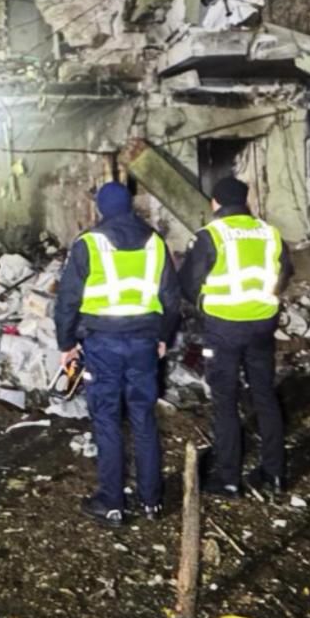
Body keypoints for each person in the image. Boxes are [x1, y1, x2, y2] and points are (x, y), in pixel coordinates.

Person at [54, 182, 180, 527]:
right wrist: (163, 338)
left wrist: (66, 345)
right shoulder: (155, 243)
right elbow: (171, 299)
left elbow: (67, 301)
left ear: (102, 209)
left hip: (102, 344)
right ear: (131, 207)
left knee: (107, 419)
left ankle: (112, 503)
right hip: (143, 343)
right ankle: (151, 501)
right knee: (143, 418)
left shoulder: (90, 244)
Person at [179, 176, 292, 499]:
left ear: (215, 202)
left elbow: (188, 282)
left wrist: (202, 304)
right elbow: (284, 273)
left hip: (224, 328)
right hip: (261, 327)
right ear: (246, 201)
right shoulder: (270, 234)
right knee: (265, 397)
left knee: (225, 402)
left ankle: (229, 479)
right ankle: (275, 474)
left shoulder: (211, 235)